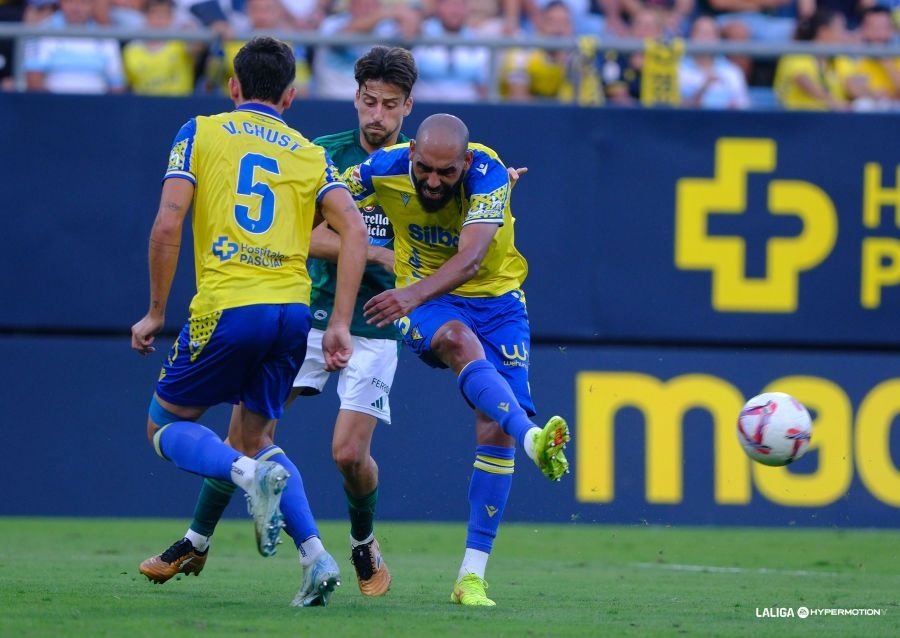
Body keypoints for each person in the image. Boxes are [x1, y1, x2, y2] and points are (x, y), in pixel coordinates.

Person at [139, 45, 418, 598]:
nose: (378, 114)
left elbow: (169, 223)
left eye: (390, 105)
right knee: (250, 436)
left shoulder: (426, 165)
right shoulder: (316, 153)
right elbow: (327, 234)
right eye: (369, 101)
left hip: (358, 319)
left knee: (336, 453)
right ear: (295, 96)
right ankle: (246, 547)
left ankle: (360, 540)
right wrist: (362, 271)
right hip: (302, 314)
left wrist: (154, 313)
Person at [351, 113, 570, 607]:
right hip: (430, 303)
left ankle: (470, 577)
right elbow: (327, 205)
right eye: (424, 169)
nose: (432, 181)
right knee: (454, 337)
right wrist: (385, 271)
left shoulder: (488, 174)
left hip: (499, 302)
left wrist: (407, 295)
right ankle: (532, 436)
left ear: (465, 163)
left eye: (446, 173)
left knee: (493, 430)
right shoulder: (378, 169)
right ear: (412, 155)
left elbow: (471, 260)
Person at [123, 0, 196, 96]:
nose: (160, 19)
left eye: (165, 15)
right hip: (145, 106)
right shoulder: (131, 50)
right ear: (145, 16)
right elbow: (127, 86)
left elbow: (196, 48)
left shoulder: (181, 44)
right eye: (155, 14)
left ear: (172, 17)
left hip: (180, 105)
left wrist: (189, 31)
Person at [678, 15, 749, 108]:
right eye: (702, 33)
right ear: (692, 36)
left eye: (710, 34)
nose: (706, 39)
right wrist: (703, 89)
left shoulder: (732, 71)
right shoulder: (678, 69)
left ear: (718, 38)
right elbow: (675, 111)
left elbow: (743, 108)